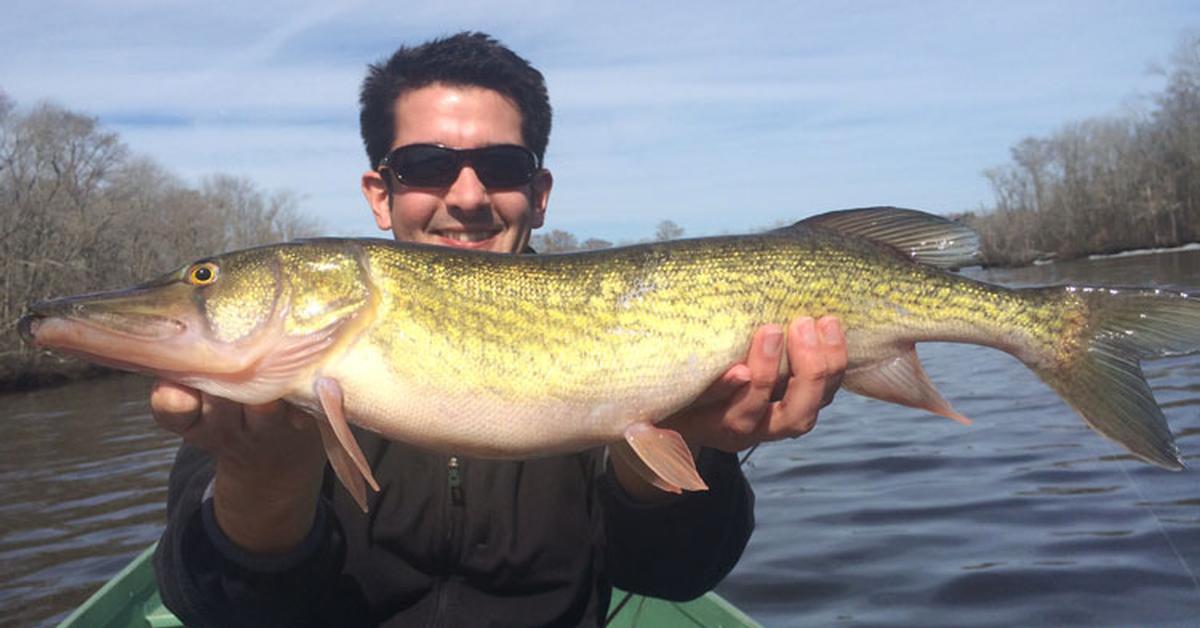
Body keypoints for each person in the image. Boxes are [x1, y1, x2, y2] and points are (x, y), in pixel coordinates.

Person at [152, 32, 848, 627]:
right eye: (427, 166)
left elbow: (674, 574)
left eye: (501, 167)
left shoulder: (626, 327)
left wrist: (675, 450)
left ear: (538, 197)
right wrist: (264, 478)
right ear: (379, 192)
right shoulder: (274, 364)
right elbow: (210, 604)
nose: (467, 196)